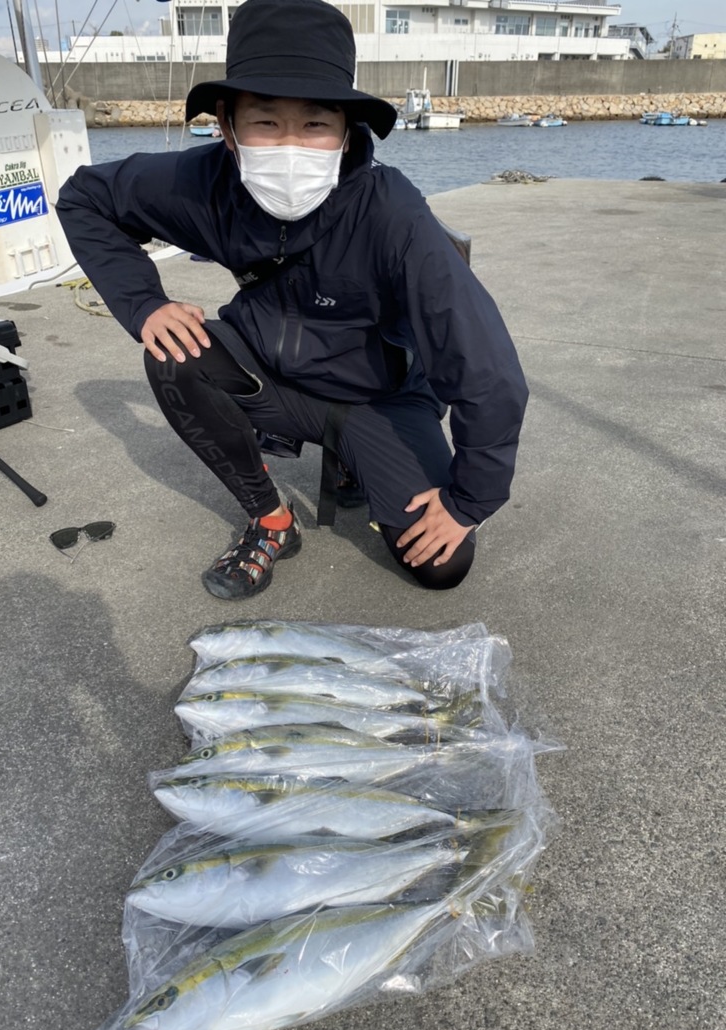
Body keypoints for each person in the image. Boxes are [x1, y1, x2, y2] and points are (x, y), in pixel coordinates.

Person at [56, 0, 527, 600]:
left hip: (377, 399)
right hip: (274, 373)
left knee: (443, 566)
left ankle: (353, 457)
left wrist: (469, 500)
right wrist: (143, 303)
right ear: (226, 126)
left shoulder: (393, 213)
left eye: (314, 124)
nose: (289, 146)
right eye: (265, 121)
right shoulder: (201, 186)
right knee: (173, 355)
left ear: (346, 131)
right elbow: (85, 198)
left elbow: (485, 367)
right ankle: (270, 516)